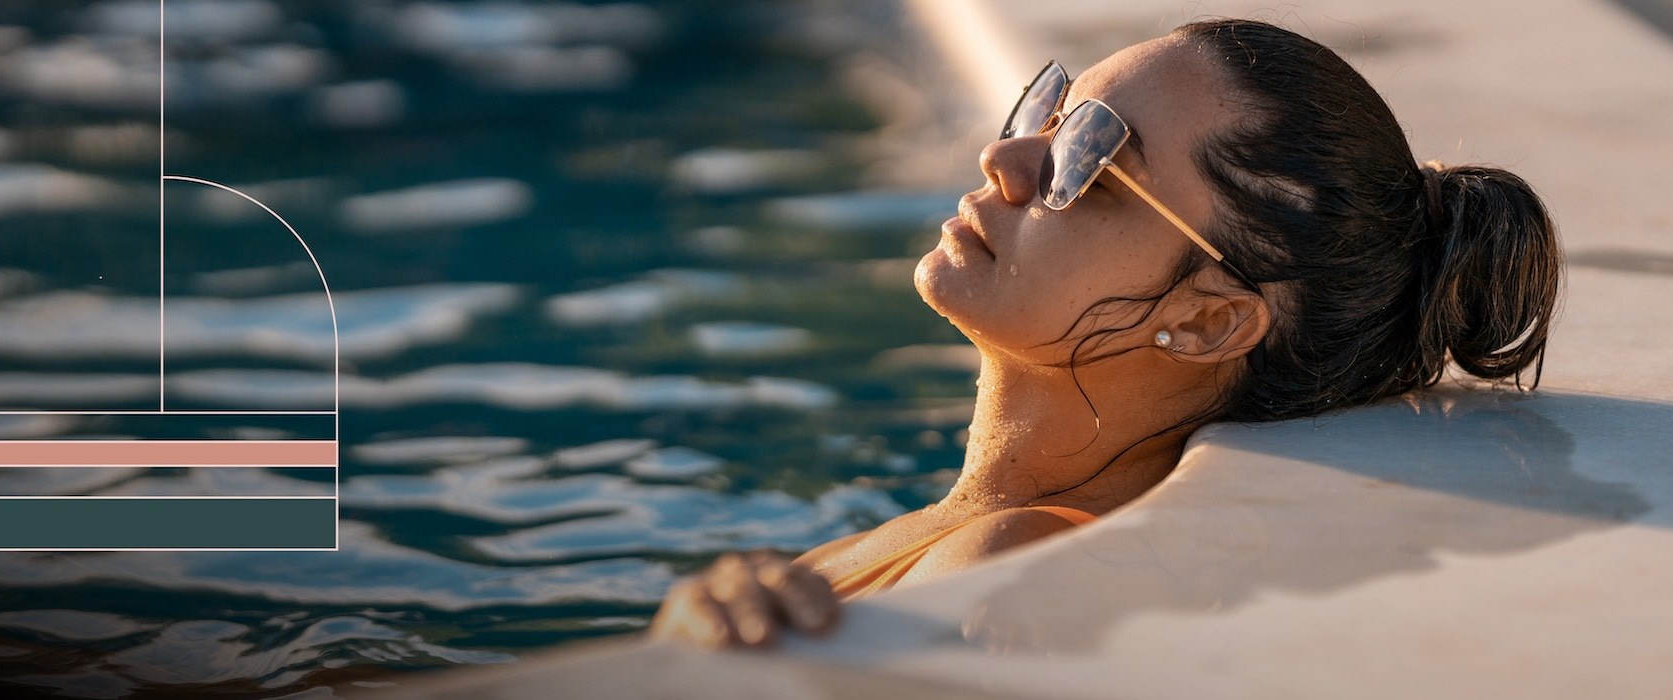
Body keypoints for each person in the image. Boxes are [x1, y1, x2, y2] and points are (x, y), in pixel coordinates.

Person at [648, 18, 1561, 648]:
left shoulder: (1006, 562)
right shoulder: (963, 531)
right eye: (1051, 113)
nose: (1005, 159)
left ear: (1207, 319)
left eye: (1089, 163)